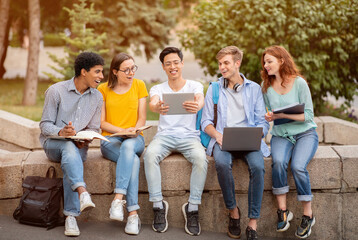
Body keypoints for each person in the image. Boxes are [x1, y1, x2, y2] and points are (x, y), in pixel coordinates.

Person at [201, 46, 270, 240]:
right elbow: (205, 121)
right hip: (223, 139)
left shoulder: (254, 88)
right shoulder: (214, 89)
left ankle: (252, 223)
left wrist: (257, 135)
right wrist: (218, 135)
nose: (222, 67)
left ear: (237, 63)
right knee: (222, 164)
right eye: (220, 63)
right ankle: (233, 212)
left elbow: (262, 122)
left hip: (249, 140)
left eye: (226, 63)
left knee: (258, 167)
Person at [143, 47, 208, 236]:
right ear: (163, 67)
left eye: (176, 62)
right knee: (150, 156)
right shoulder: (158, 88)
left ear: (182, 64)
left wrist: (198, 105)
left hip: (189, 137)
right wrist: (157, 106)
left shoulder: (194, 85)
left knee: (200, 159)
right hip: (165, 137)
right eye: (168, 63)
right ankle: (158, 205)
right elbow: (153, 102)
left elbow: (200, 98)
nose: (173, 66)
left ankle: (193, 208)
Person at [39, 52, 104, 237]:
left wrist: (87, 138)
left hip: (78, 147)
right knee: (68, 147)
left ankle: (72, 215)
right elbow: (44, 125)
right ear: (84, 72)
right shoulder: (56, 91)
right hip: (53, 144)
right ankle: (77, 204)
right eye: (97, 72)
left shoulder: (97, 97)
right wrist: (61, 132)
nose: (101, 76)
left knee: (71, 154)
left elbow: (94, 128)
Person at [261, 45, 318, 239]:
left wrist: (282, 113)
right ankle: (283, 212)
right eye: (265, 62)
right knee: (278, 163)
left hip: (305, 134)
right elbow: (268, 113)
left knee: (299, 167)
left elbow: (309, 115)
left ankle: (308, 215)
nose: (266, 65)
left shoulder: (299, 83)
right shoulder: (266, 87)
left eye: (270, 61)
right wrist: (269, 117)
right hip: (280, 135)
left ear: (281, 61)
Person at [98, 53, 148, 235]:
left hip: (135, 138)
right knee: (132, 161)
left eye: (133, 68)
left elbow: (142, 118)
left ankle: (118, 199)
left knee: (128, 147)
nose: (131, 72)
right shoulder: (103, 89)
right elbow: (102, 123)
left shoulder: (139, 85)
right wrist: (121, 130)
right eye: (126, 70)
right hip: (110, 139)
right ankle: (133, 214)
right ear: (115, 71)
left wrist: (133, 130)